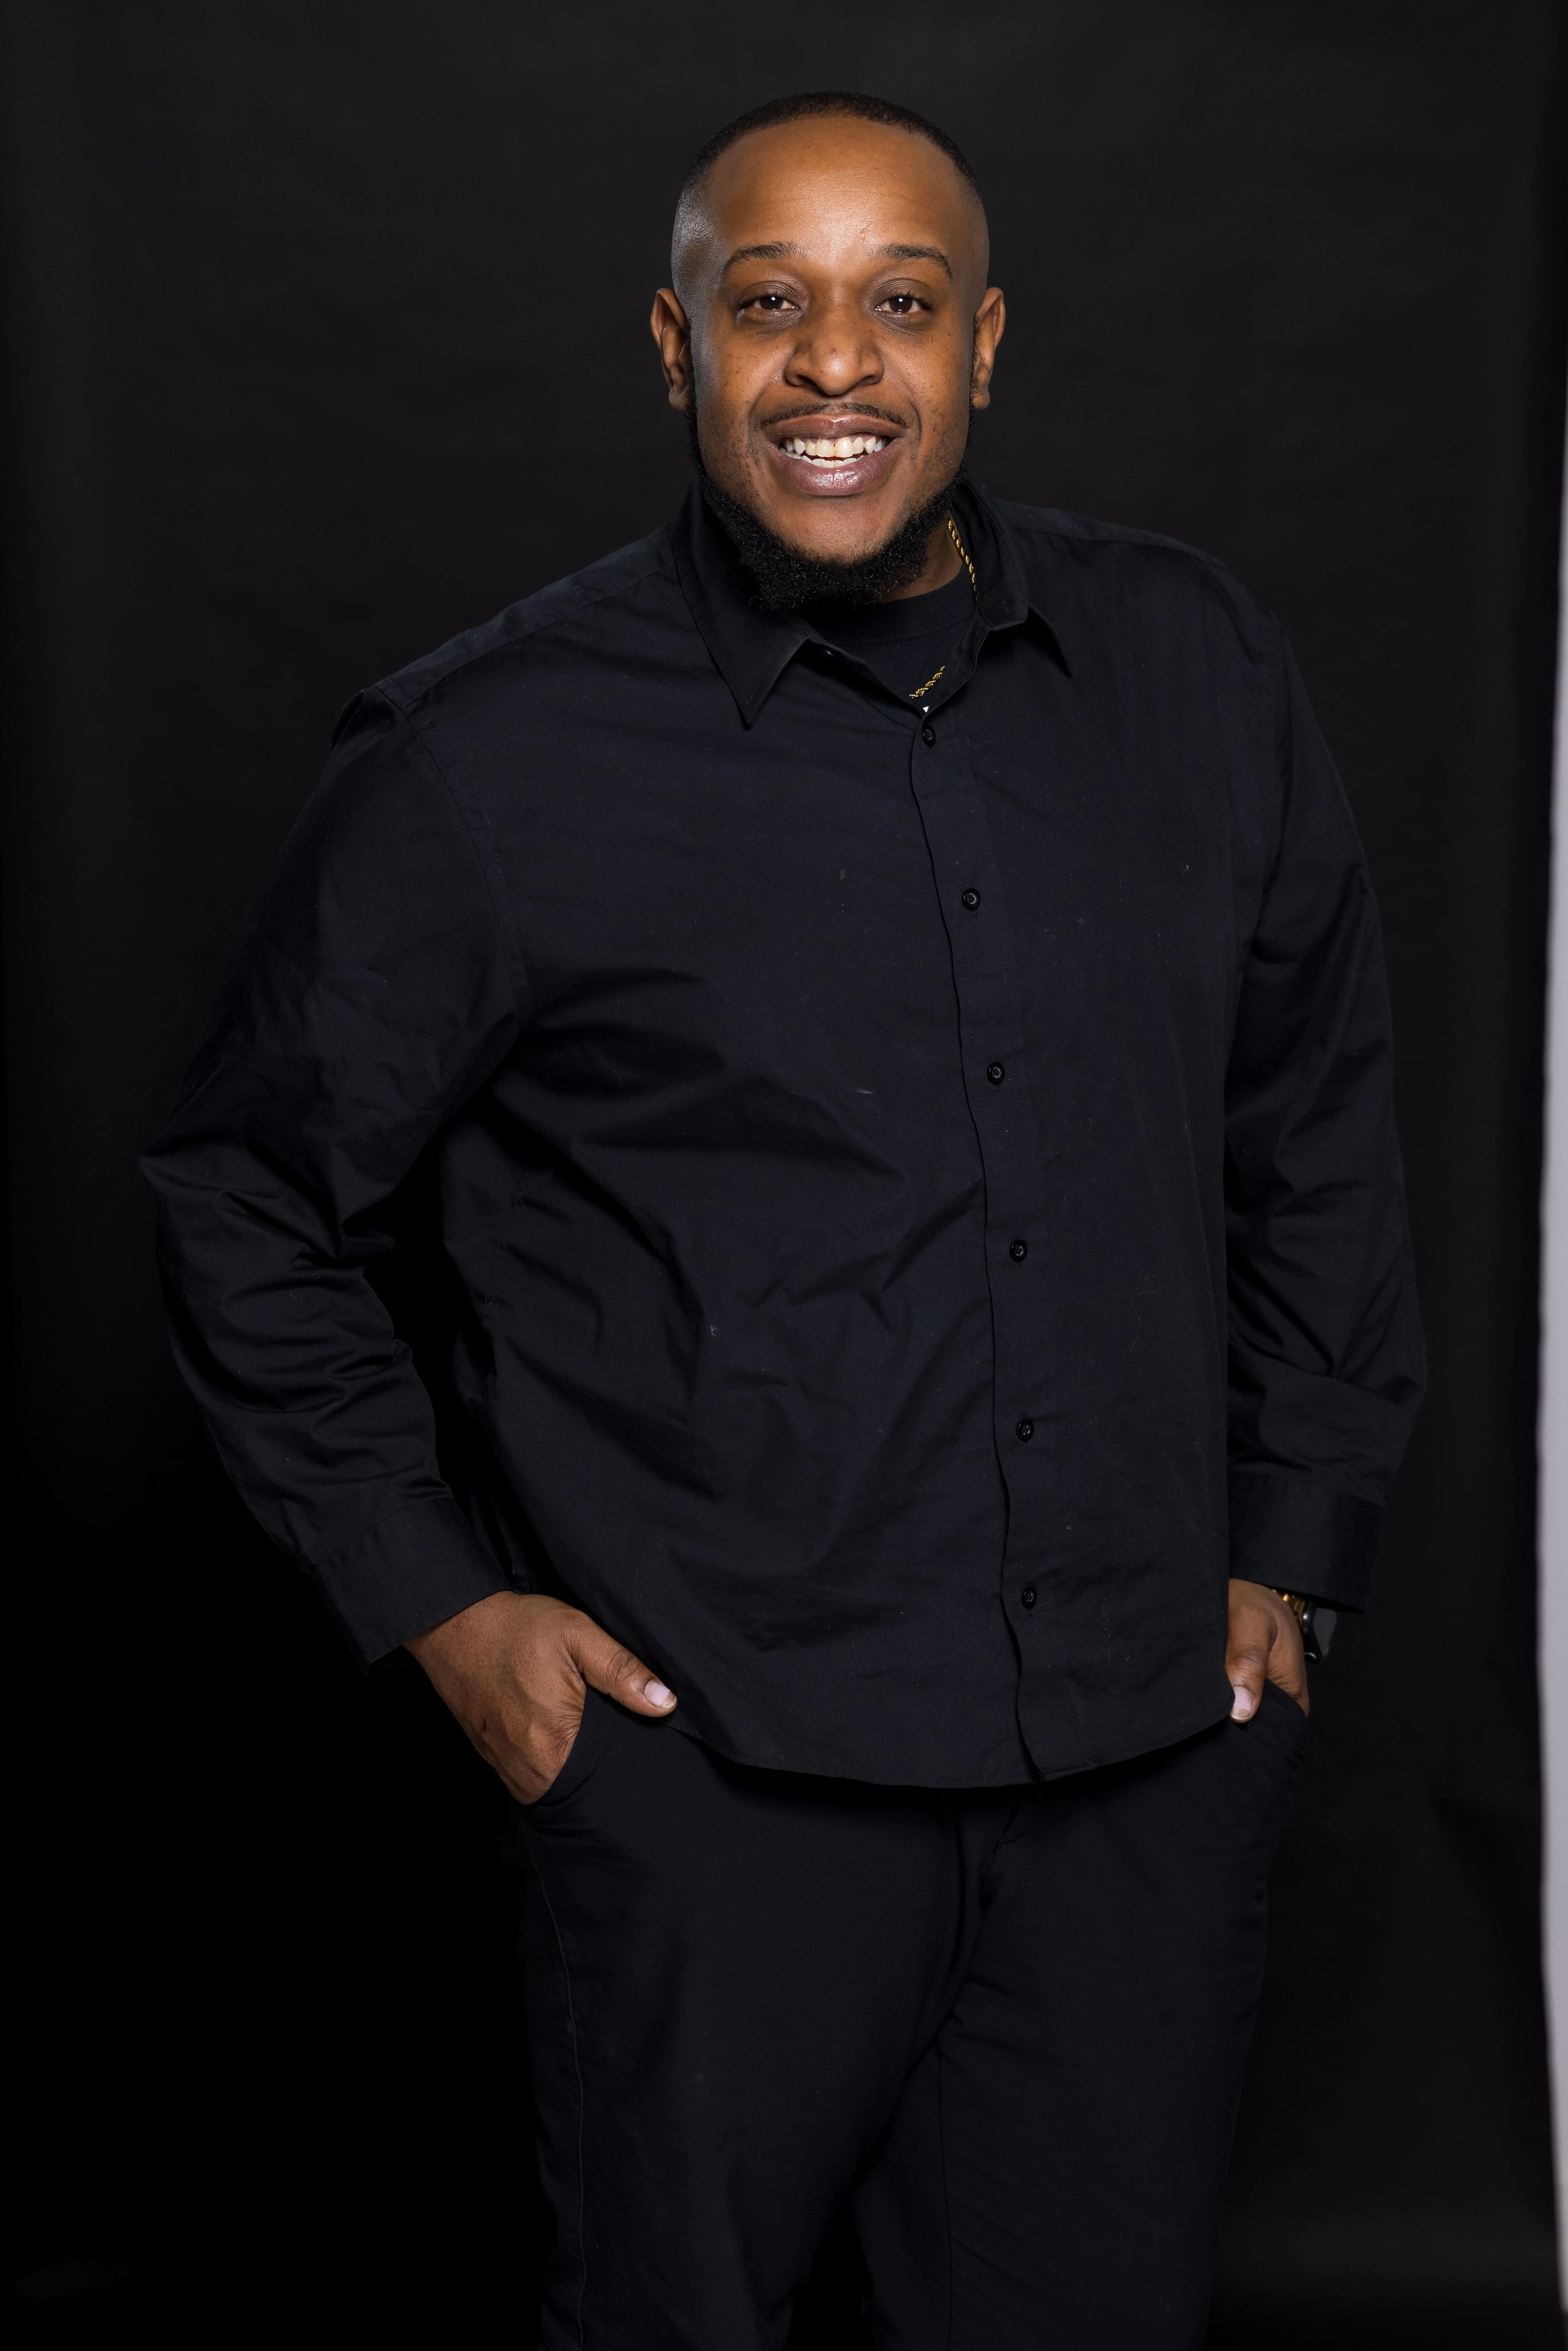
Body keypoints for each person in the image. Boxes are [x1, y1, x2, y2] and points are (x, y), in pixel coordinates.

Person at [145, 89, 1424, 2351]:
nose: (835, 363)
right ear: (674, 346)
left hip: (1136, 1773)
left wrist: (1287, 1536)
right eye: (769, 305)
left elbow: (1309, 1113)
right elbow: (246, 1193)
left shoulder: (1191, 669)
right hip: (712, 1795)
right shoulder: (486, 758)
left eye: (896, 305)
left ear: (985, 341)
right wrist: (451, 1621)